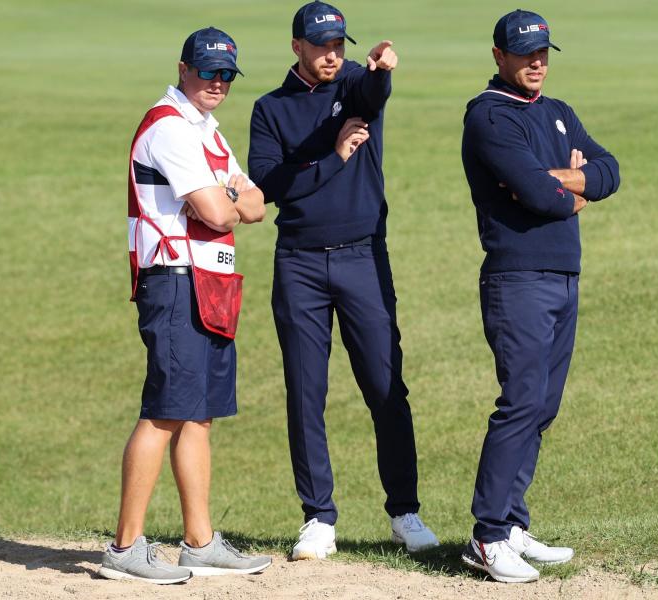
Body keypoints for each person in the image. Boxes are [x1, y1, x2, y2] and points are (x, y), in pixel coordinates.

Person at [248, 1, 439, 560]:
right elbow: (269, 184)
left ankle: (405, 511)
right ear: (296, 47)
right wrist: (332, 157)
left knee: (385, 386)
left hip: (362, 258)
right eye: (321, 45)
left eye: (339, 45)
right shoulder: (270, 109)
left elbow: (372, 98)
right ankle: (318, 517)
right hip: (300, 264)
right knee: (307, 393)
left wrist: (381, 69)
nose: (332, 54)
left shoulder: (356, 82)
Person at [98, 26, 270, 584]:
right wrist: (228, 199)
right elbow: (222, 212)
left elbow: (256, 203)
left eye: (226, 75)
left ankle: (198, 544)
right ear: (183, 68)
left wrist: (228, 200)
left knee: (199, 414)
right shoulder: (169, 128)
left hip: (211, 283)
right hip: (173, 280)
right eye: (207, 71)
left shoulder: (209, 130)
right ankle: (125, 548)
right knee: (166, 411)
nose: (217, 82)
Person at [459, 10, 621, 583]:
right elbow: (538, 195)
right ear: (499, 56)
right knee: (522, 400)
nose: (537, 63)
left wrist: (565, 182)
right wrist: (566, 190)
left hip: (563, 275)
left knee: (543, 406)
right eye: (525, 54)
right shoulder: (487, 116)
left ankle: (513, 523)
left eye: (544, 53)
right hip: (516, 278)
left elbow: (609, 171)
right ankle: (487, 535)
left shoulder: (558, 113)